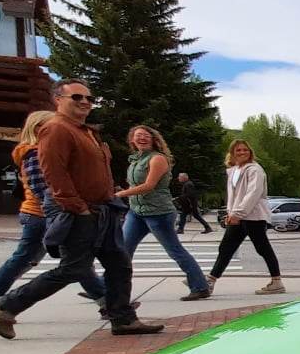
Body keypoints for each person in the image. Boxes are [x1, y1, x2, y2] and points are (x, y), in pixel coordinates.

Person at [0, 80, 161, 339]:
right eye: (77, 97)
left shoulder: (85, 132)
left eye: (89, 98)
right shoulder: (56, 129)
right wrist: (77, 207)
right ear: (58, 100)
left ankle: (123, 319)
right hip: (80, 211)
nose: (84, 102)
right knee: (73, 269)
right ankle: (5, 306)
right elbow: (54, 172)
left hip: (102, 209)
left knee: (119, 264)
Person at [0, 111, 110, 311]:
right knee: (66, 262)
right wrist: (66, 210)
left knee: (68, 262)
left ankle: (107, 302)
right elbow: (42, 189)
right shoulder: (34, 153)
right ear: (39, 128)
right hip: (42, 215)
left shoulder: (40, 150)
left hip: (45, 214)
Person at [116, 126, 212, 301]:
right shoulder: (136, 160)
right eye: (138, 136)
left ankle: (200, 286)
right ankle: (104, 288)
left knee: (174, 250)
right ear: (132, 140)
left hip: (158, 213)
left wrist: (120, 194)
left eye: (146, 135)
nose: (142, 138)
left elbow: (149, 186)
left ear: (154, 139)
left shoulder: (157, 159)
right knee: (122, 250)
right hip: (136, 212)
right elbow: (134, 185)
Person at [209, 139, 285, 294]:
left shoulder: (255, 170)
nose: (242, 152)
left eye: (245, 150)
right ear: (232, 153)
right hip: (238, 216)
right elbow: (233, 196)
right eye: (238, 150)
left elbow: (253, 193)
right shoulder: (234, 171)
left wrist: (238, 213)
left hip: (253, 216)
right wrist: (231, 213)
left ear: (250, 152)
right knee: (226, 248)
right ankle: (210, 281)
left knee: (262, 248)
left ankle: (277, 282)